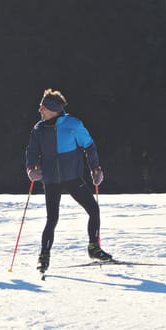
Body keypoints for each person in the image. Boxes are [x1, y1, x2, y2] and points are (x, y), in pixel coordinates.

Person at [25, 89, 111, 273]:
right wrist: (31, 168)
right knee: (52, 219)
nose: (39, 109)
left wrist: (96, 169)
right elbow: (32, 152)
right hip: (51, 180)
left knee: (93, 210)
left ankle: (94, 248)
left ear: (53, 109)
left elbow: (89, 146)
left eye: (43, 106)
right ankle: (44, 257)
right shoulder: (38, 129)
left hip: (72, 177)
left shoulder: (73, 124)